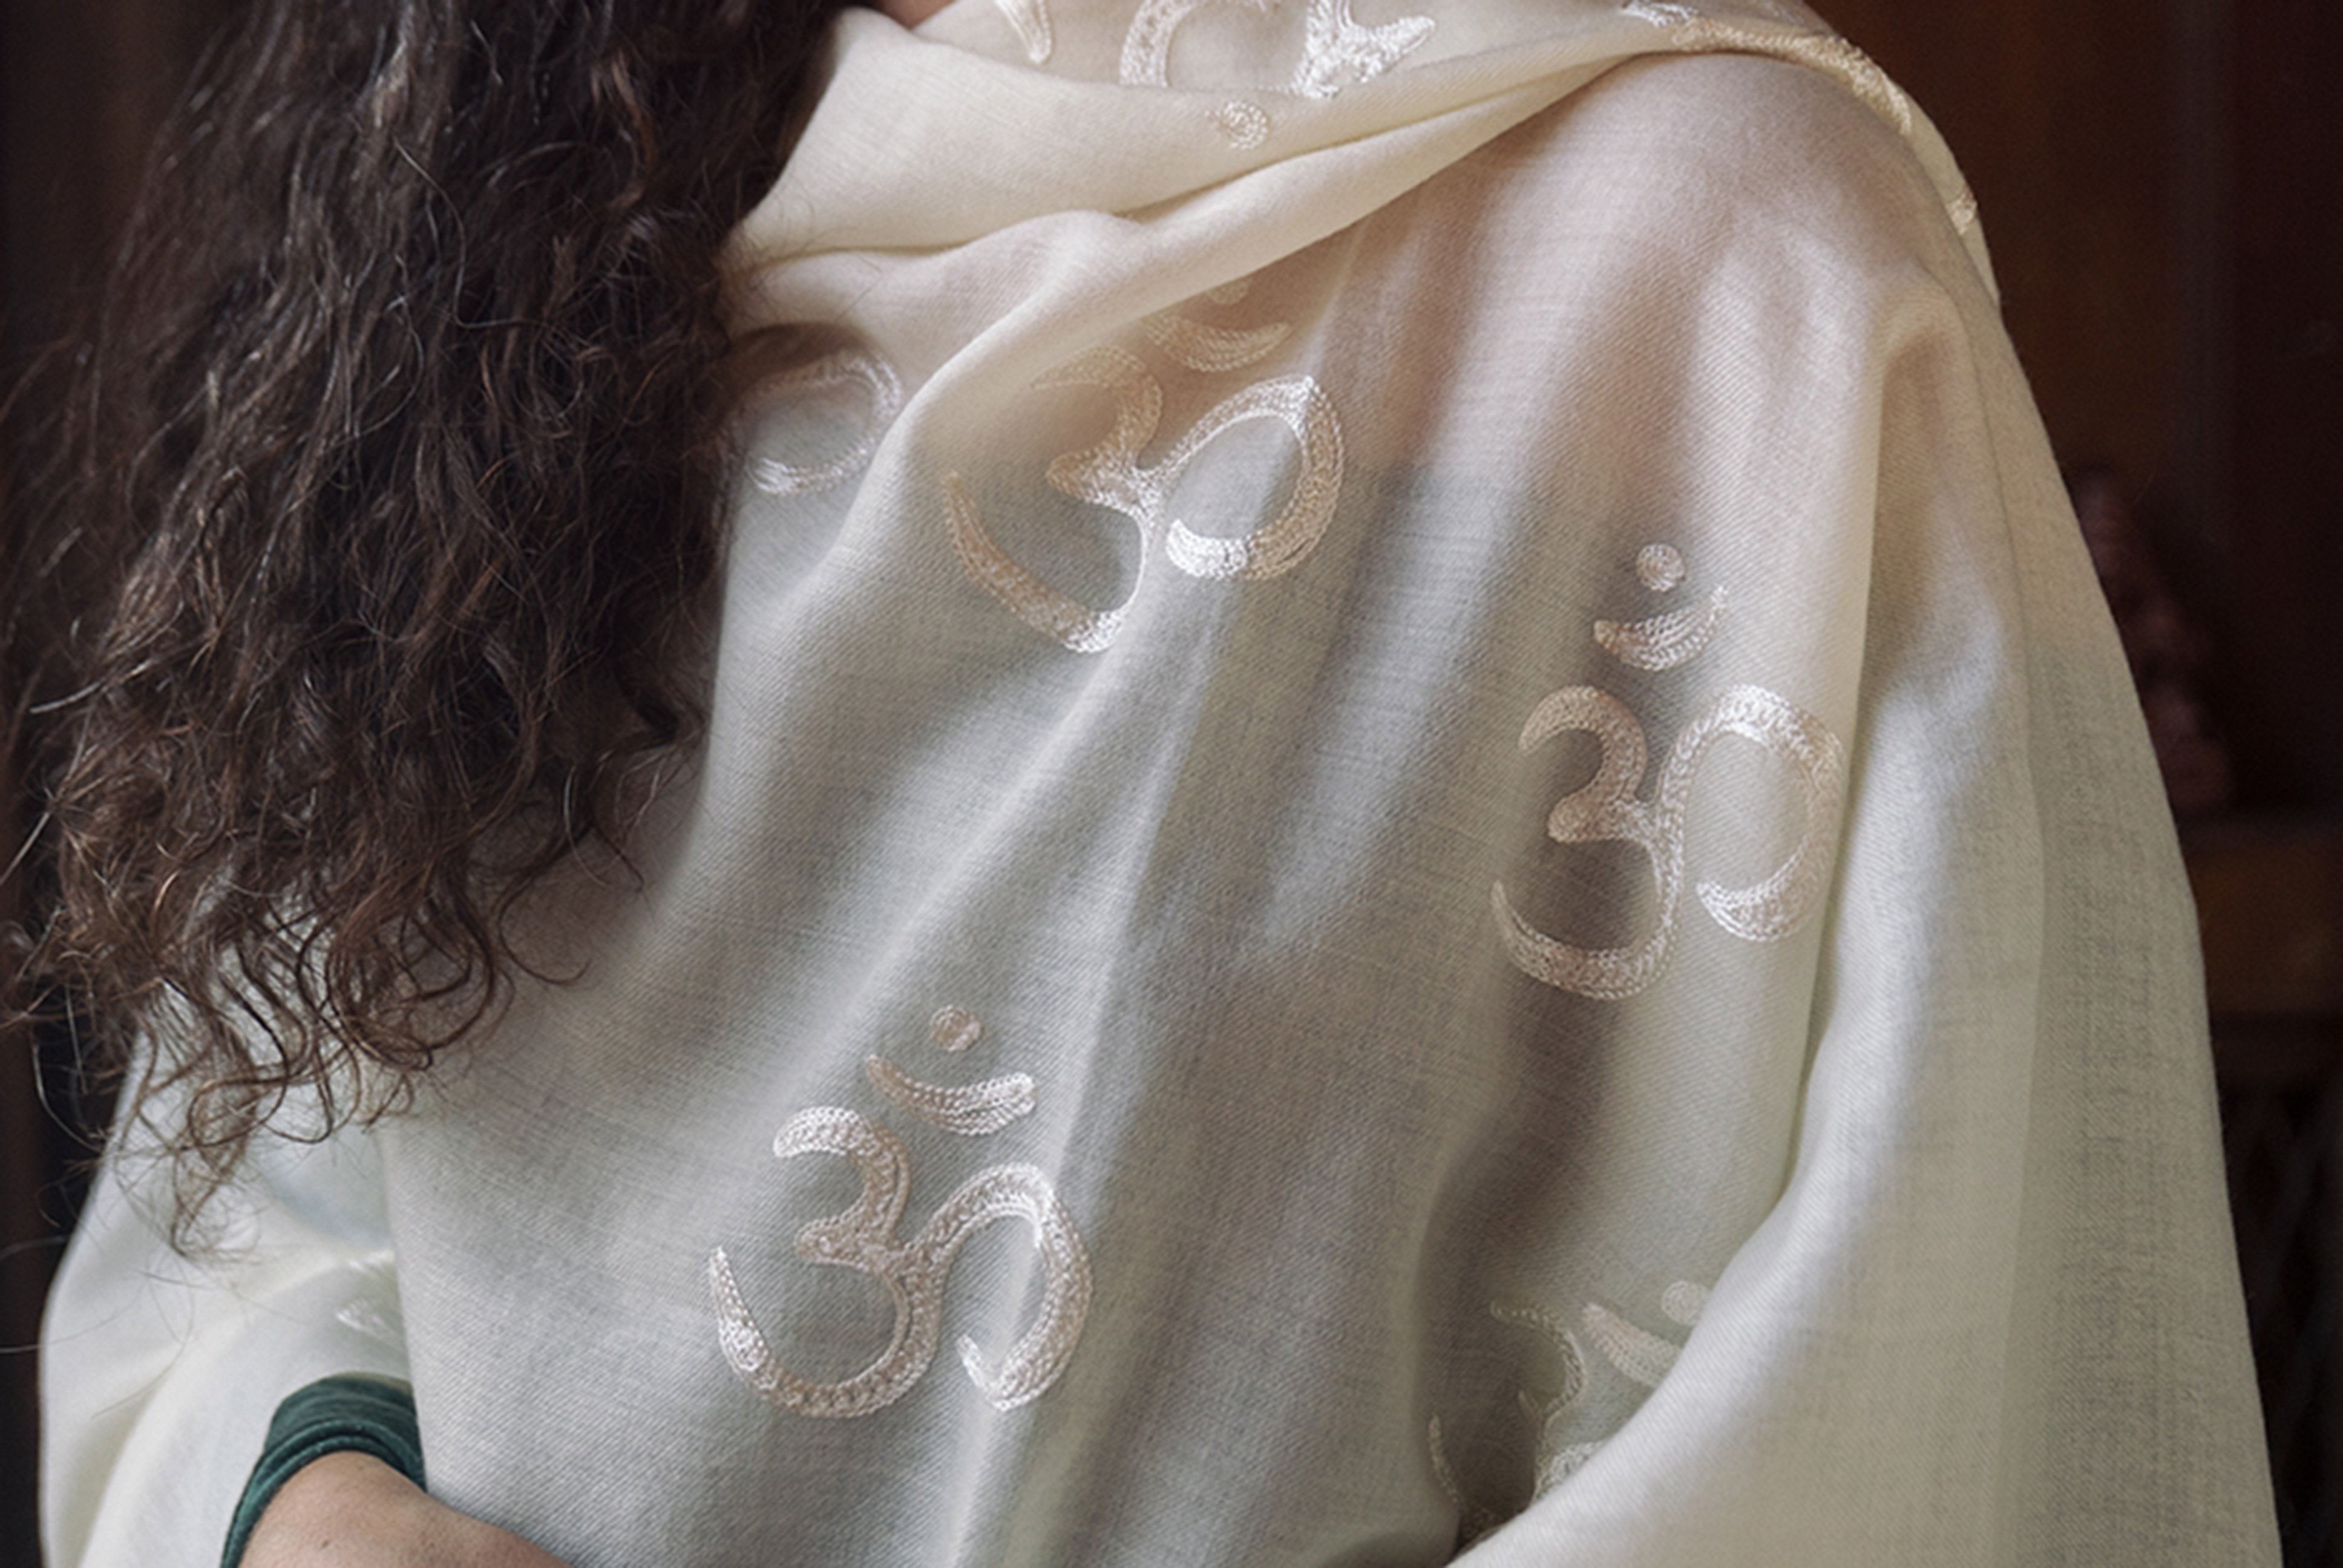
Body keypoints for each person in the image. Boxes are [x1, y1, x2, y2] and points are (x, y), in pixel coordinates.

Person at [26, 0, 2278, 1562]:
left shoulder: (1743, 277)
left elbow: (1918, 1381)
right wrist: (320, 1511)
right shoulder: (492, 228)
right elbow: (249, 1223)